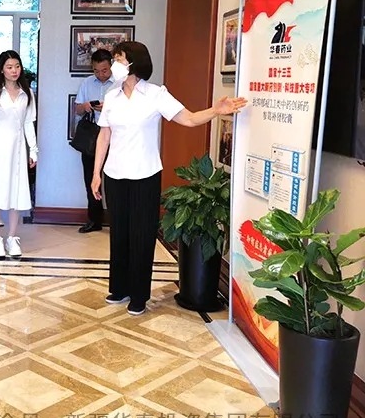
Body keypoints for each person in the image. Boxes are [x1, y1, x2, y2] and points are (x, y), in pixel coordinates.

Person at [91, 41, 247, 315]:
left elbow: (188, 118)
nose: (115, 64)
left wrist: (216, 110)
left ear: (134, 63)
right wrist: (96, 174)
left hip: (145, 174)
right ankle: (120, 287)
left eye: (119, 59)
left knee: (141, 236)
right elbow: (104, 135)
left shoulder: (155, 94)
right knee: (120, 233)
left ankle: (139, 295)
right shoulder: (112, 96)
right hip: (115, 174)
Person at [0, 50, 38, 259]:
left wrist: (33, 150)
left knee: (16, 193)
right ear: (2, 69)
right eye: (9, 67)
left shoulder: (27, 93)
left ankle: (12, 237)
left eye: (17, 66)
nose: (14, 70)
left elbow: (28, 124)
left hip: (18, 150)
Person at [74, 49, 114, 233]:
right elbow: (77, 110)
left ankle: (116, 220)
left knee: (114, 181)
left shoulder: (120, 83)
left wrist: (108, 108)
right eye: (96, 71)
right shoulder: (87, 83)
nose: (100, 74)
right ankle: (94, 220)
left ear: (111, 65)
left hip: (115, 137)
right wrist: (86, 106)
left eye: (104, 70)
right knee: (91, 178)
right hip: (92, 137)